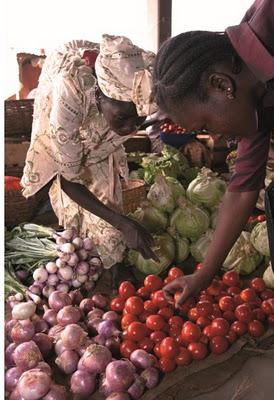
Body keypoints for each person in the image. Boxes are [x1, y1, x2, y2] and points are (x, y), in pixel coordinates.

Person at [153, 0, 274, 304]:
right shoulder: (255, 96)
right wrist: (205, 274)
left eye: (206, 123)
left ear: (221, 85)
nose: (216, 136)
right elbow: (243, 188)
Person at [21, 36, 158, 288]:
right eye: (124, 118)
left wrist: (119, 222)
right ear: (100, 97)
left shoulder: (136, 84)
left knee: (103, 170)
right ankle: (81, 243)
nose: (131, 128)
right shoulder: (69, 93)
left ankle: (114, 260)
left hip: (97, 90)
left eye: (138, 120)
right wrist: (121, 222)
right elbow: (68, 180)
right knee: (71, 170)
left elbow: (128, 121)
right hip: (61, 81)